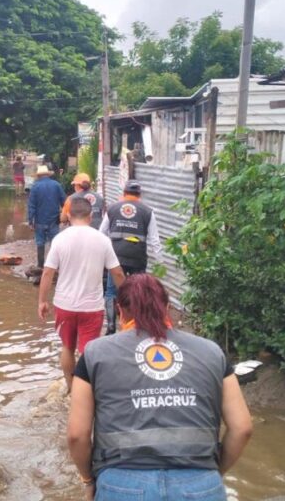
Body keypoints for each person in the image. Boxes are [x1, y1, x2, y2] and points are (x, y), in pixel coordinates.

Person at [67, 274, 253, 501]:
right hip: (201, 484)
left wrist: (89, 481)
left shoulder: (95, 353)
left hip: (122, 485)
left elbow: (77, 435)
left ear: (120, 310)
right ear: (166, 307)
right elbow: (242, 428)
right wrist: (212, 474)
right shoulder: (212, 352)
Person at [38, 197, 126, 392]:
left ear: (68, 215)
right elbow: (117, 273)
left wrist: (42, 301)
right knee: (88, 351)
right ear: (91, 215)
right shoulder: (102, 240)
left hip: (64, 305)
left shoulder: (60, 239)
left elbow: (47, 272)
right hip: (92, 307)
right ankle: (85, 391)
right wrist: (127, 301)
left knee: (67, 347)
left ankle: (70, 388)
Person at [99, 181, 161, 334]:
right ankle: (137, 325)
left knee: (111, 292)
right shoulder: (147, 211)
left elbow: (101, 232)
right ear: (139, 195)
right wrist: (160, 262)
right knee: (137, 290)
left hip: (116, 256)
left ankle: (111, 326)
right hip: (137, 257)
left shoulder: (112, 208)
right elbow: (154, 239)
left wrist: (103, 254)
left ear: (124, 193)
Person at [26, 164, 66, 269]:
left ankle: (40, 266)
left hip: (39, 220)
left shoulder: (35, 187)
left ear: (38, 176)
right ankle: (55, 265)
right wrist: (65, 217)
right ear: (48, 175)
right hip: (54, 220)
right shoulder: (57, 185)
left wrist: (30, 221)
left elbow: (31, 206)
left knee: (40, 242)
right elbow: (64, 202)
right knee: (55, 242)